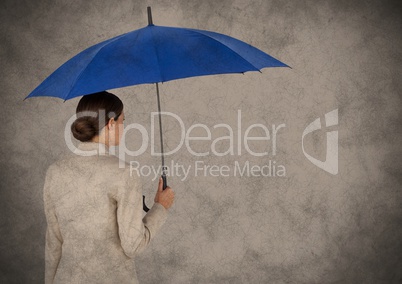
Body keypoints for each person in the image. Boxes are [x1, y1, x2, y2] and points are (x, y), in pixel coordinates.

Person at [43, 91, 174, 283]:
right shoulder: (124, 173)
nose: (123, 126)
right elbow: (133, 245)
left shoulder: (54, 172)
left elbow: (53, 244)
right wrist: (161, 207)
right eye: (123, 121)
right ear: (111, 124)